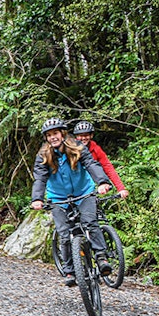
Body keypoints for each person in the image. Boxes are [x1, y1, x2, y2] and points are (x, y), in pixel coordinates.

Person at [30, 118, 112, 286]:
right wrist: (37, 199)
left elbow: (91, 164)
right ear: (46, 138)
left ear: (62, 134)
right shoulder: (43, 156)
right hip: (58, 198)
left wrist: (102, 182)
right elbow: (39, 179)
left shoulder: (77, 147)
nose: (53, 137)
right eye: (49, 135)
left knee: (90, 222)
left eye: (55, 133)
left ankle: (101, 258)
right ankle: (69, 271)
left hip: (84, 192)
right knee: (65, 234)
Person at [72, 120, 128, 198]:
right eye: (80, 135)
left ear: (91, 136)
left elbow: (108, 168)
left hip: (90, 186)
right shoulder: (70, 149)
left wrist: (121, 188)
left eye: (86, 135)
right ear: (76, 137)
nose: (83, 138)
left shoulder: (96, 149)